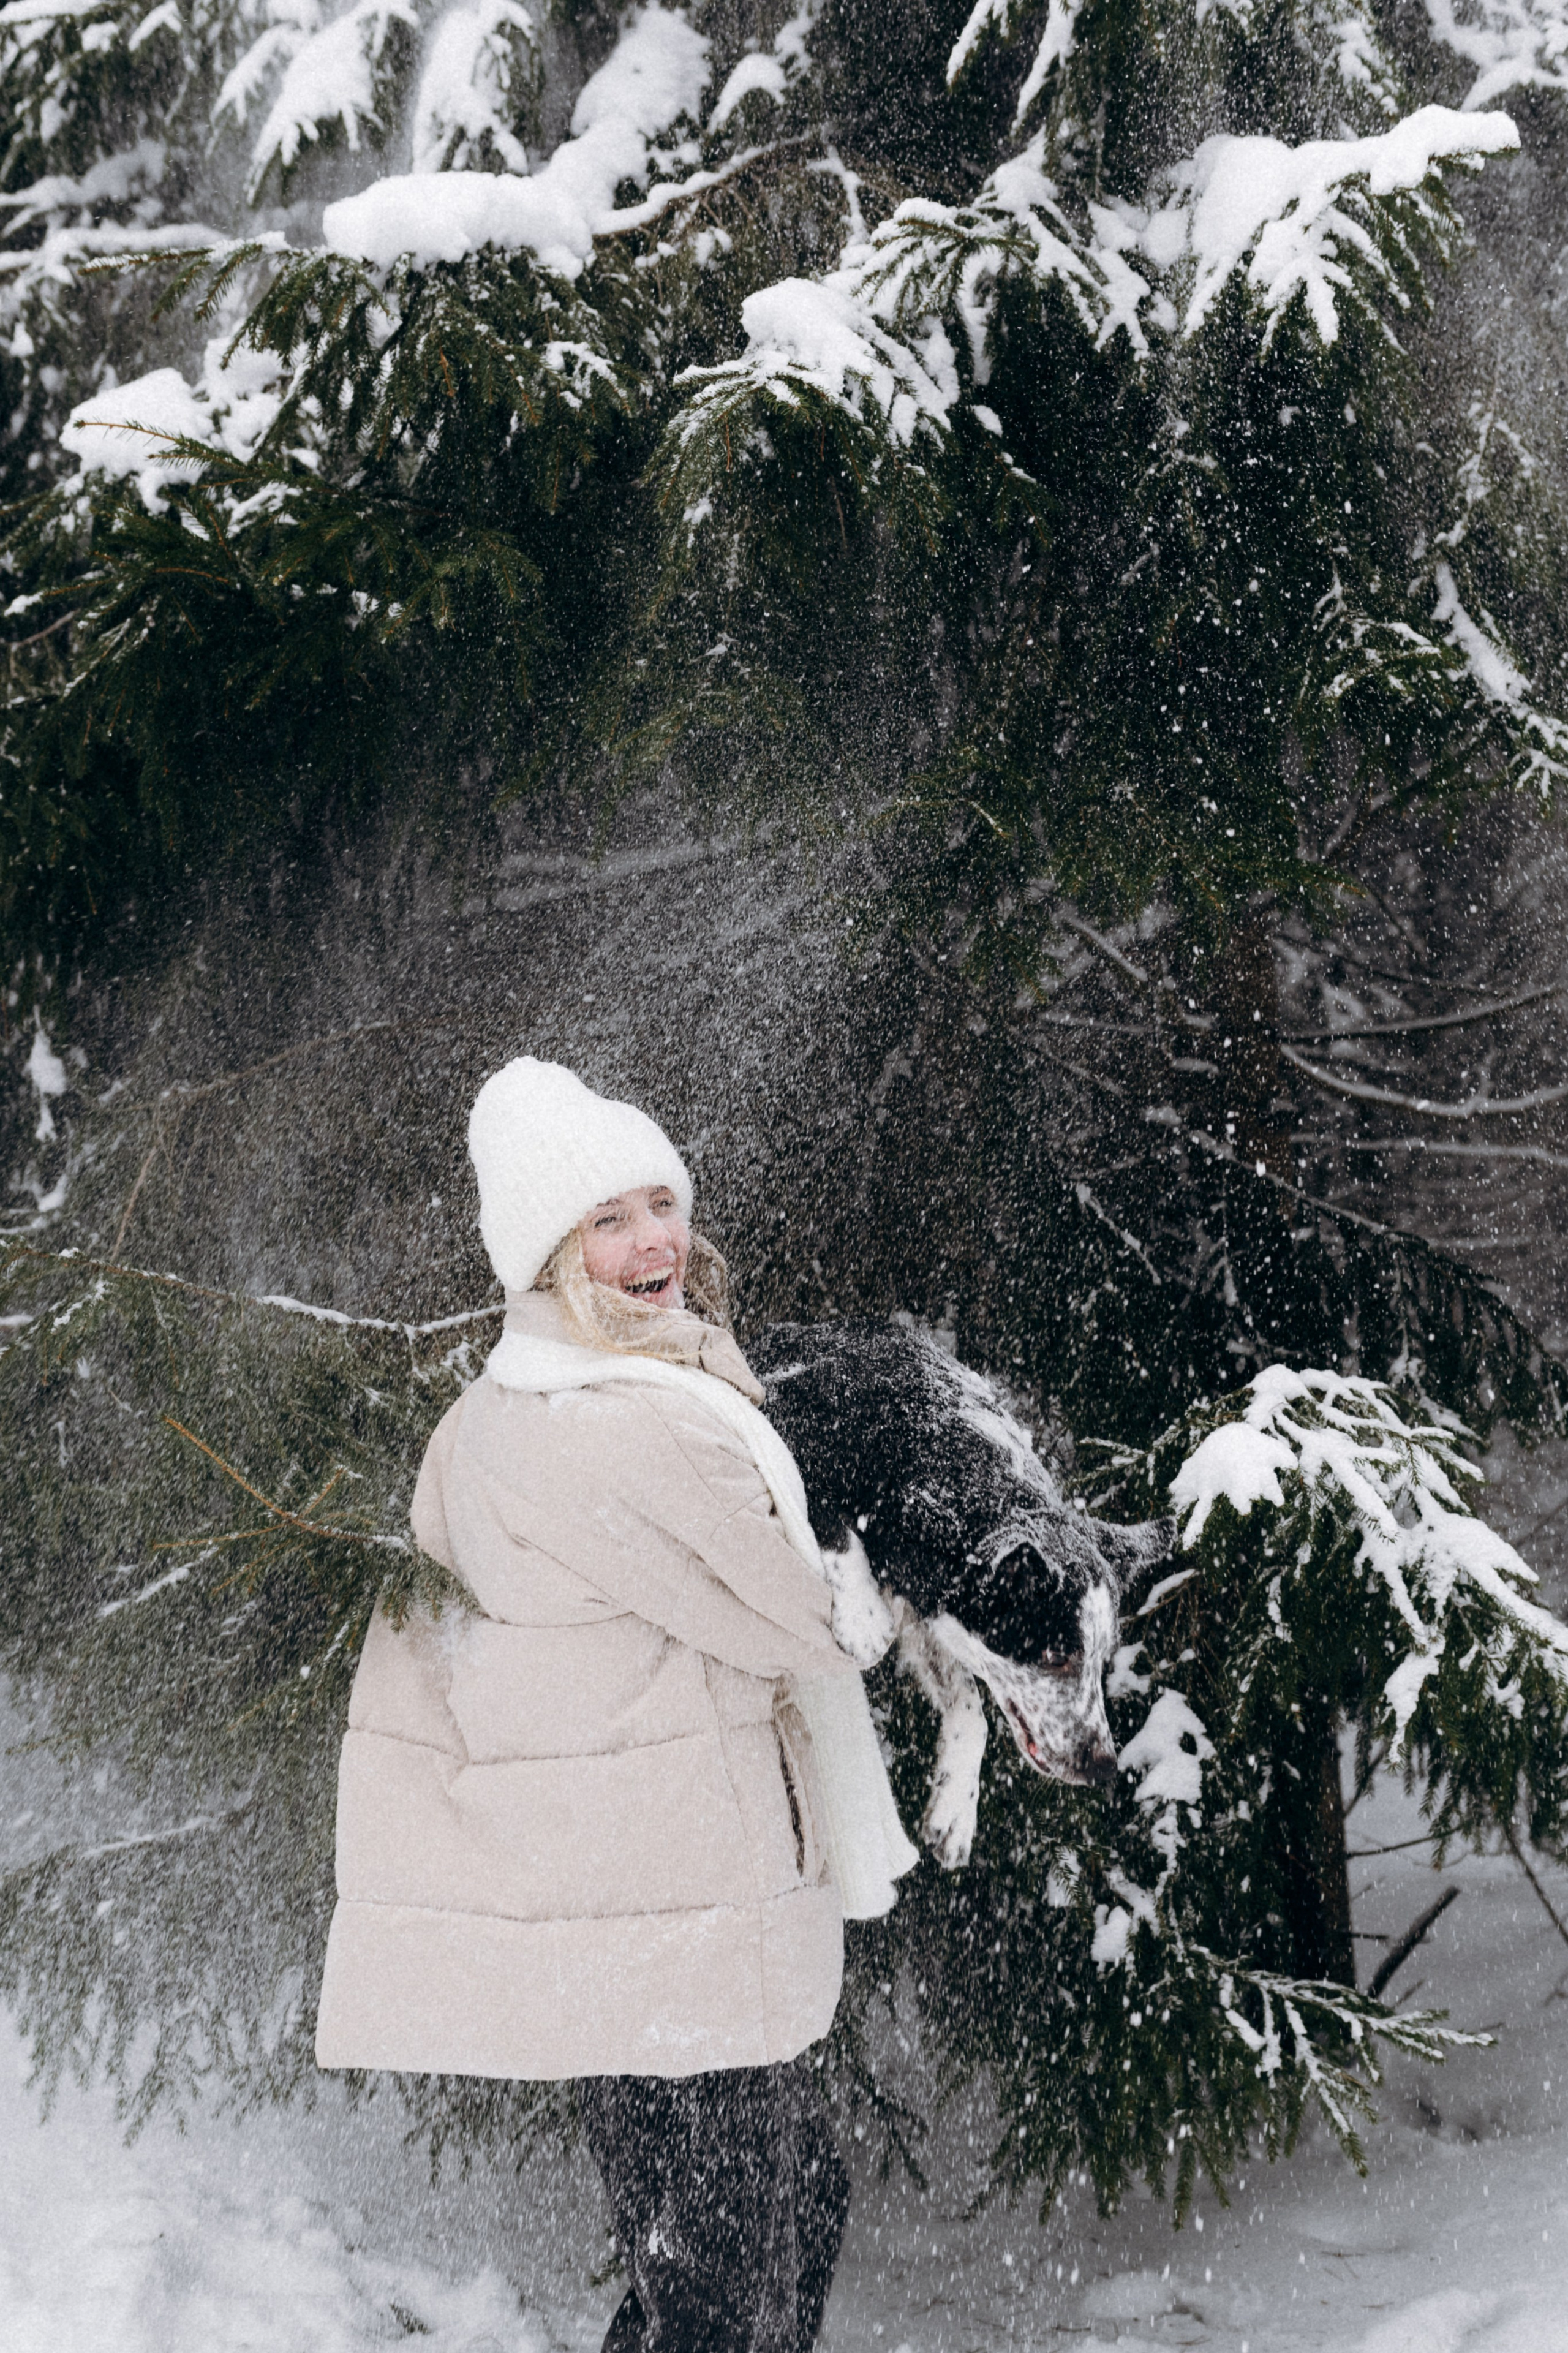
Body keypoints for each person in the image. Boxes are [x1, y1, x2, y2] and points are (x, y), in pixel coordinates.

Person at [315, 1056, 916, 2352]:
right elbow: (810, 1618)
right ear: (544, 1252)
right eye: (608, 1217)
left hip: (627, 1914)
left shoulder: (494, 1415)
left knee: (728, 2249)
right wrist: (894, 1558)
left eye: (662, 1201)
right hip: (676, 1915)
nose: (655, 1239)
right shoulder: (615, 1423)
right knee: (733, 2280)